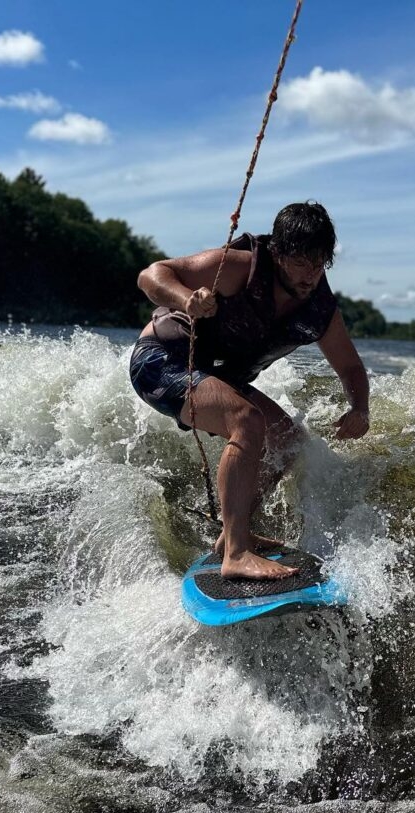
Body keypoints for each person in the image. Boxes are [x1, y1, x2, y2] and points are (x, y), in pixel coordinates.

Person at [130, 200, 369, 581]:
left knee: (286, 437)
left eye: (319, 262)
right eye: (301, 262)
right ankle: (238, 555)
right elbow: (152, 275)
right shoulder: (238, 268)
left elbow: (351, 366)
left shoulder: (320, 308)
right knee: (247, 420)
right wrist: (186, 299)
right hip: (162, 361)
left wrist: (359, 407)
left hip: (217, 377)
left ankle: (231, 535)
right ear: (277, 253)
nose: (311, 275)